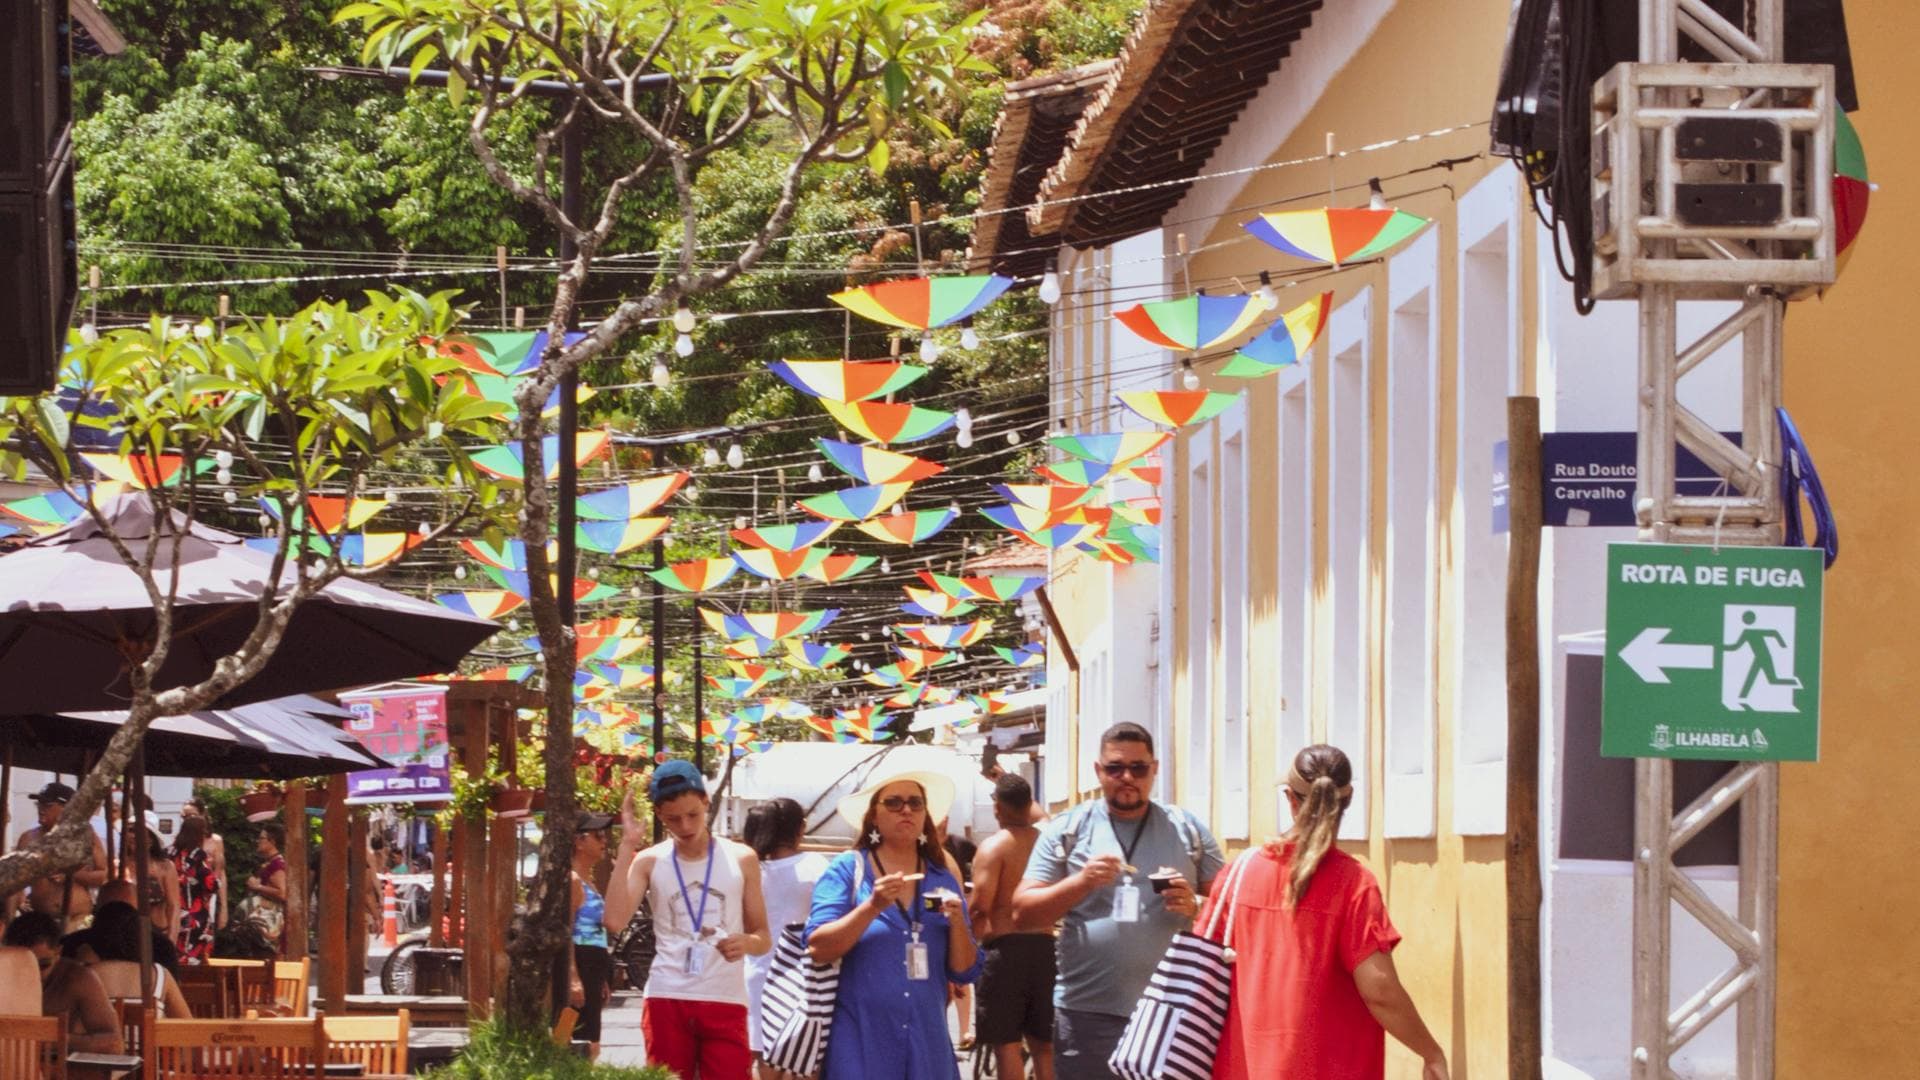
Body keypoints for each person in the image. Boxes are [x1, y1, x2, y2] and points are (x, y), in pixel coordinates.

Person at [1201, 746, 1448, 1080]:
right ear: (1347, 801)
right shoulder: (1354, 884)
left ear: (1290, 798)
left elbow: (1204, 966)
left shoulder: (1238, 875)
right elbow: (1380, 991)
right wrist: (1430, 1052)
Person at [1012, 722, 1225, 1080]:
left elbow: (1231, 910)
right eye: (1115, 768)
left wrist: (1197, 905)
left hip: (1171, 1013)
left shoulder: (1187, 828)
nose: (1127, 777)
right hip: (1087, 1013)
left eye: (1138, 768)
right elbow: (1022, 914)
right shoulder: (1069, 829)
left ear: (1154, 769)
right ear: (1099, 771)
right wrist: (1080, 882)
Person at [805, 769, 984, 1080]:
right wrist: (871, 907)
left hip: (926, 1039)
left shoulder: (942, 876)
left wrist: (957, 922)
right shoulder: (849, 869)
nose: (906, 810)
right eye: (894, 802)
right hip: (861, 1038)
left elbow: (964, 970)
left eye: (915, 803)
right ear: (874, 815)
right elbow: (818, 947)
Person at [605, 760, 771, 1080]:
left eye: (693, 814)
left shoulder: (742, 858)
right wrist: (627, 845)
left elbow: (763, 936)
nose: (685, 826)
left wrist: (746, 942)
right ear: (659, 816)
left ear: (706, 802)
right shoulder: (650, 860)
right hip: (668, 995)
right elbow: (614, 920)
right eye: (673, 819)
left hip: (725, 996)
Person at [970, 774, 1056, 1080]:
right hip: (1046, 948)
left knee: (1006, 1044)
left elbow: (981, 904)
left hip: (1006, 950)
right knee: (1043, 1044)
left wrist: (961, 936)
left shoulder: (994, 847)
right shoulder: (1047, 843)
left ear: (997, 807)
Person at [741, 798, 829, 1080]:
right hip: (805, 977)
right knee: (806, 1060)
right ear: (799, 829)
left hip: (756, 972)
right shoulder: (816, 866)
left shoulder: (748, 870)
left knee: (766, 1060)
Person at [3, 911, 124, 1053]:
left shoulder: (78, 978)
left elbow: (114, 1044)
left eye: (42, 965)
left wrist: (52, 1038)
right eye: (21, 966)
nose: (34, 974)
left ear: (58, 952)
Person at [10, 782, 110, 933]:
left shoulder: (84, 835)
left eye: (47, 805)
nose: (41, 809)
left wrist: (71, 875)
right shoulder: (28, 838)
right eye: (39, 804)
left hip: (77, 917)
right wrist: (11, 917)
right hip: (39, 919)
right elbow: (15, 881)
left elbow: (104, 875)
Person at [79, 901, 192, 1018]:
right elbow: (187, 1027)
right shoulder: (160, 976)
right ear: (139, 937)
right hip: (150, 1036)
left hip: (103, 1037)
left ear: (96, 936)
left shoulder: (85, 976)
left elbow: (64, 1021)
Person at [568, 811, 617, 1061]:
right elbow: (567, 933)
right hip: (581, 961)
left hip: (594, 965)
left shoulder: (589, 881)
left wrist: (602, 978)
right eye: (597, 836)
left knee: (591, 1042)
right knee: (582, 1041)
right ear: (579, 841)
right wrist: (573, 977)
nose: (603, 841)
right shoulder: (573, 881)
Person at [121, 819, 181, 945]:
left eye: (138, 832)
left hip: (157, 934)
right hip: (124, 935)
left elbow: (174, 906)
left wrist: (171, 941)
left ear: (151, 840)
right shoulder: (118, 866)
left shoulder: (165, 867)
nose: (132, 836)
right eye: (130, 831)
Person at [173, 816, 220, 960]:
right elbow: (210, 884)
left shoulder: (170, 852)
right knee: (194, 960)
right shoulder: (198, 855)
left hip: (174, 912)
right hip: (195, 913)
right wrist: (217, 871)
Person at [179, 799, 230, 930]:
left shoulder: (215, 841)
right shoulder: (179, 843)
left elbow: (221, 874)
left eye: (193, 815)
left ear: (203, 815)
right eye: (185, 816)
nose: (189, 819)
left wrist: (223, 908)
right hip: (184, 899)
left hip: (207, 897)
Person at [243, 822, 289, 950]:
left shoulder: (277, 864)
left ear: (272, 841)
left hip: (273, 922)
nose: (258, 841)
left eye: (261, 838)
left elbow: (282, 893)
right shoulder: (270, 862)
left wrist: (257, 887)